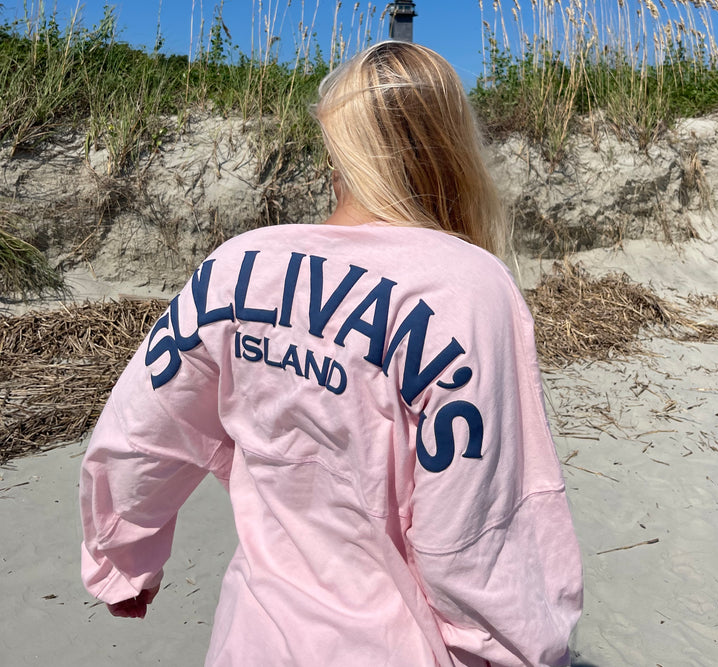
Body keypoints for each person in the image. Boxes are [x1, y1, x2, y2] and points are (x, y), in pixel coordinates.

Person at [80, 41, 583, 666]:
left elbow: (143, 430)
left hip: (252, 641)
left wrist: (121, 555)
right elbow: (479, 528)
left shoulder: (240, 265)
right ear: (453, 144)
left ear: (334, 147)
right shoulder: (465, 288)